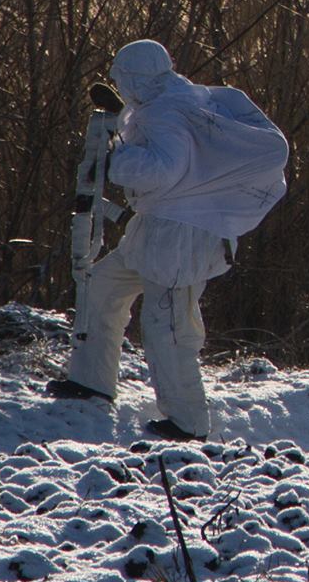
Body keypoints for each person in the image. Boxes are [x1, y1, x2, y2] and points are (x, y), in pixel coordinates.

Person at [46, 40, 289, 440]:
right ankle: (92, 382)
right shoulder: (179, 98)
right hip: (158, 230)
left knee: (168, 325)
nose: (120, 85)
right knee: (103, 287)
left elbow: (164, 169)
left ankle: (187, 422)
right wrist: (122, 118)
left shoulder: (166, 112)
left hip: (179, 239)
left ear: (136, 77)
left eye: (122, 79)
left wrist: (115, 160)